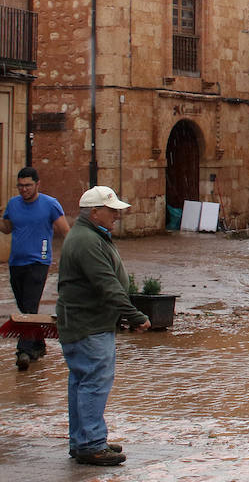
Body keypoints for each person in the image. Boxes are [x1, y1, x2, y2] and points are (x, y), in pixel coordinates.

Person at [56, 186, 149, 467]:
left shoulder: (89, 235)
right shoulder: (87, 240)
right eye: (112, 211)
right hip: (88, 325)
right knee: (94, 383)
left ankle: (83, 439)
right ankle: (91, 444)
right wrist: (134, 315)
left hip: (86, 323)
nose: (117, 216)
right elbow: (106, 284)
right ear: (94, 212)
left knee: (82, 383)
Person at [2, 166, 69, 370]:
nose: (24, 190)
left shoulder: (50, 205)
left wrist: (72, 257)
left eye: (28, 185)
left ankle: (24, 351)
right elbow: (7, 228)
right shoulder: (13, 204)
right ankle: (39, 344)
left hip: (39, 262)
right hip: (16, 263)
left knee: (29, 307)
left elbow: (66, 232)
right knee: (26, 308)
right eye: (20, 186)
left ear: (37, 184)